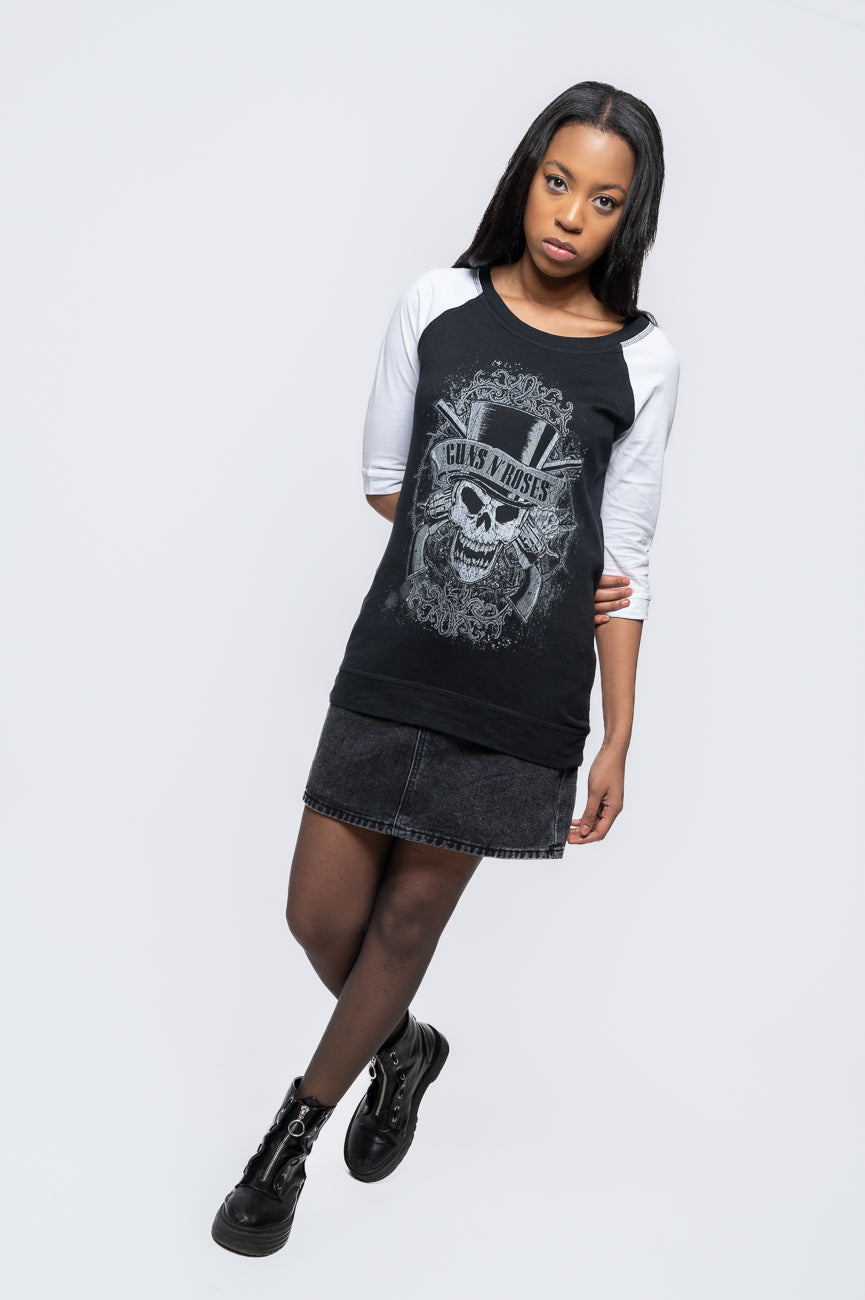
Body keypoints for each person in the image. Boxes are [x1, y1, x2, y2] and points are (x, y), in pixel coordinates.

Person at [211, 79, 680, 1258]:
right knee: (317, 914)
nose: (571, 214)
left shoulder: (644, 358)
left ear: (629, 217)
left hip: (521, 695)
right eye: (558, 181)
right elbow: (388, 478)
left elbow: (622, 560)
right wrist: (500, 534)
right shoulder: (438, 303)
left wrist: (619, 732)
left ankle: (286, 1143)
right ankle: (404, 1046)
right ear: (527, 175)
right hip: (397, 658)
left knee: (410, 916)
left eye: (603, 200)